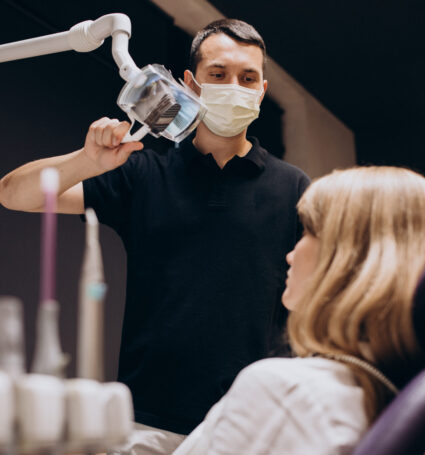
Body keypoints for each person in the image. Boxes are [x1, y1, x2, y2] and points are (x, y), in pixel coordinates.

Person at [0, 19, 310, 453]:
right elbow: (14, 193)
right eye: (218, 75)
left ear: (261, 89)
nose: (234, 87)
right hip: (144, 423)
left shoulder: (295, 189)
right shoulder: (145, 172)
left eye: (247, 78)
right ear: (190, 83)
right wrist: (87, 160)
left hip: (248, 426)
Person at [172, 166, 425, 455]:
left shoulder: (289, 393)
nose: (290, 255)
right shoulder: (402, 400)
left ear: (351, 256)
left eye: (307, 230)